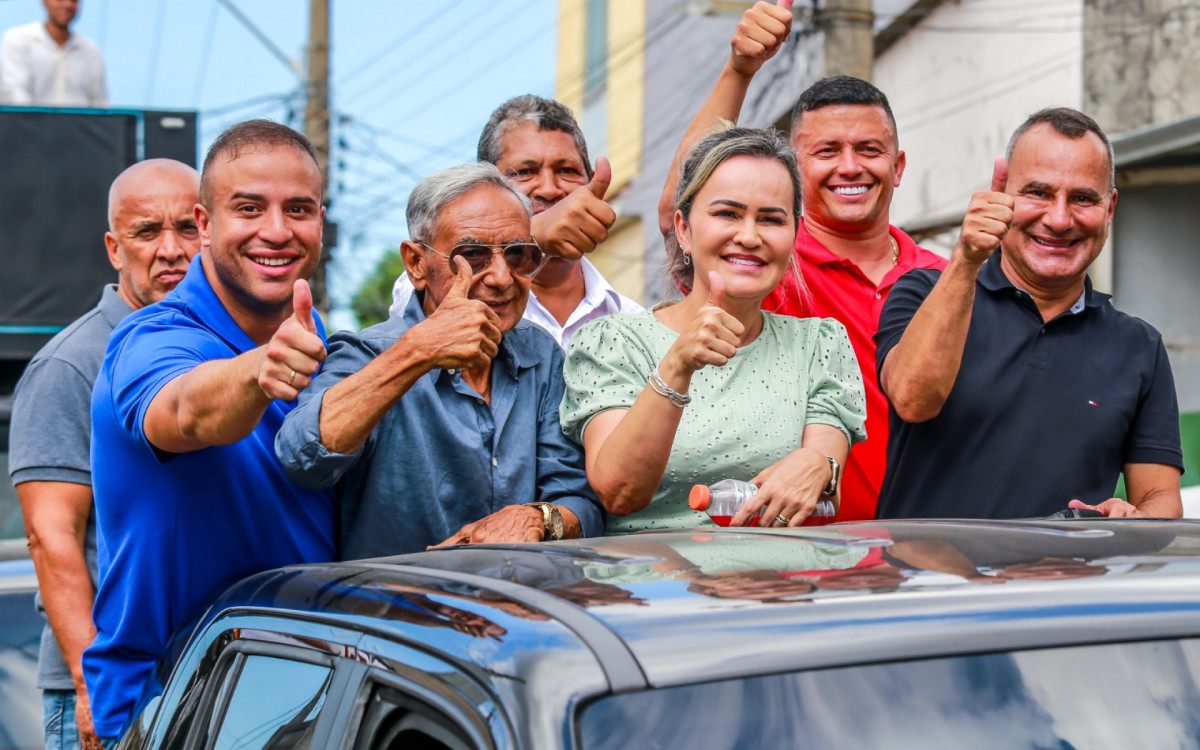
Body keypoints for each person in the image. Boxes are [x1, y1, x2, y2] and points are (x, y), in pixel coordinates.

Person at [83, 120, 337, 741]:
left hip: (309, 701)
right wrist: (260, 371)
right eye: (248, 208)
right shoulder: (151, 337)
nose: (276, 230)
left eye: (297, 209)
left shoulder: (321, 341)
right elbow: (184, 412)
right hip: (174, 710)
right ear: (205, 223)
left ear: (320, 221)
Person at [658, 2, 946, 524]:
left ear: (898, 166)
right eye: (827, 151)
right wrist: (739, 70)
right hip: (800, 551)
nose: (850, 167)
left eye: (869, 150)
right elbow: (685, 200)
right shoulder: (767, 263)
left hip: (927, 547)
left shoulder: (946, 279)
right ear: (794, 169)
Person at [276, 162, 604, 559]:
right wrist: (418, 353)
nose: (502, 277)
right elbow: (302, 458)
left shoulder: (540, 354)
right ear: (416, 264)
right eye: (473, 256)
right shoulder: (369, 352)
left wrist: (538, 518)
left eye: (518, 255)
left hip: (517, 595)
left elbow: (580, 501)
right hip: (396, 598)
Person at [875, 107, 1184, 519]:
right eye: (1038, 193)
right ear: (1003, 197)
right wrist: (966, 260)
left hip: (1066, 565)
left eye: (1083, 198)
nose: (1058, 219)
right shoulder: (922, 293)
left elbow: (1162, 498)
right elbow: (914, 401)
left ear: (1109, 208)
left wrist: (1135, 519)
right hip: (925, 565)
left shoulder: (1139, 347)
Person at [562, 127, 866, 533]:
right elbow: (619, 493)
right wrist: (677, 366)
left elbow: (824, 494)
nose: (749, 236)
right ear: (683, 230)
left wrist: (820, 465)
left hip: (783, 571)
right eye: (727, 214)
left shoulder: (818, 345)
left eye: (771, 219)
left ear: (794, 234)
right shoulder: (613, 343)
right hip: (652, 571)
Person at [9, 158, 199, 750]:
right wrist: (93, 683)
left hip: (212, 675)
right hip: (113, 686)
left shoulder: (221, 347)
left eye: (186, 228)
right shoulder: (71, 363)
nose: (170, 249)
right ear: (115, 249)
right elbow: (51, 537)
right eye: (147, 232)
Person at [390, 95, 641, 348]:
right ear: (483, 184)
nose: (549, 189)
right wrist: (531, 241)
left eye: (566, 170)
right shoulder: (461, 289)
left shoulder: (632, 324)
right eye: (524, 172)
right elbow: (417, 296)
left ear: (592, 183)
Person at [0, 0, 106, 107]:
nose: (67, 5)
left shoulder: (91, 51)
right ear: (45, 2)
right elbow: (15, 94)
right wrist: (36, 117)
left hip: (79, 118)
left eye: (73, 0)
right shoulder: (19, 40)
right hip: (25, 118)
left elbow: (99, 103)